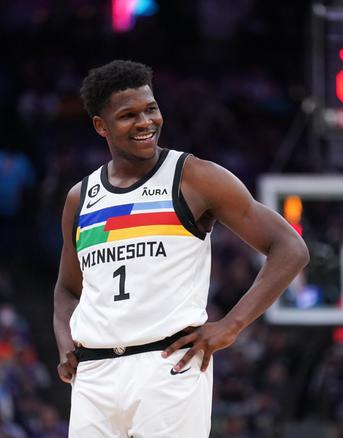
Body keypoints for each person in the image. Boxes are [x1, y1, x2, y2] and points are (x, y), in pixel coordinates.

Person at [52, 60, 309, 437]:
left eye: (150, 109)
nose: (145, 122)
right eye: (128, 115)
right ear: (100, 126)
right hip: (94, 373)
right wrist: (64, 345)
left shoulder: (194, 177)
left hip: (167, 364)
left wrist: (231, 326)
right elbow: (67, 289)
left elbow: (290, 247)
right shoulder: (81, 198)